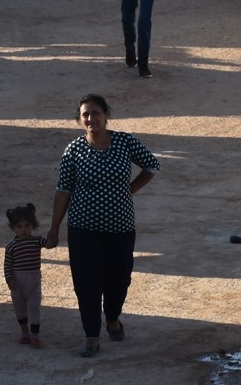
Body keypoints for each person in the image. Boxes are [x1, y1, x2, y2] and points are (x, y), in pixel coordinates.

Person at [44, 93, 160, 357]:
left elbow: (152, 166)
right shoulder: (73, 151)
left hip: (120, 227)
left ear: (106, 115)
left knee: (119, 279)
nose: (90, 118)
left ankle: (112, 317)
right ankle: (91, 335)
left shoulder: (124, 142)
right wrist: (54, 228)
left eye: (95, 113)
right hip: (83, 228)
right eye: (85, 114)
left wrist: (128, 190)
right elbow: (63, 191)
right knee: (86, 282)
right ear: (79, 120)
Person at [4, 203, 46, 347]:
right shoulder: (11, 246)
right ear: (13, 228)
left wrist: (54, 235)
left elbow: (50, 243)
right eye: (19, 226)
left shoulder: (37, 241)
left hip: (34, 282)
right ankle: (25, 333)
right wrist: (10, 281)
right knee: (20, 310)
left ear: (33, 225)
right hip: (17, 284)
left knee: (34, 308)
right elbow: (7, 266)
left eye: (27, 225)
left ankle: (35, 336)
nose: (23, 230)